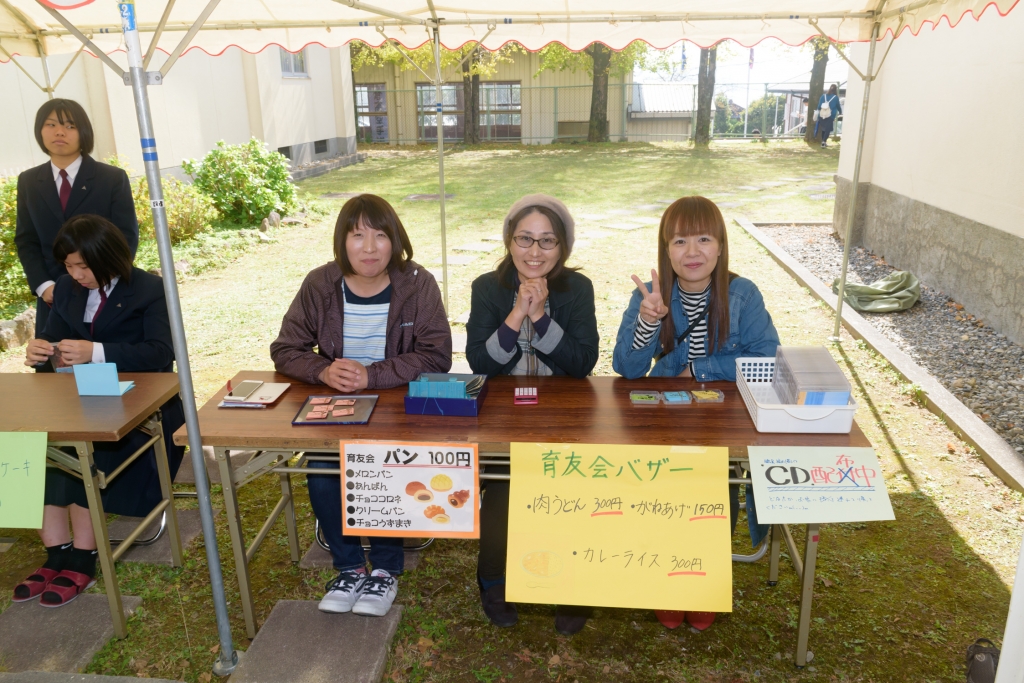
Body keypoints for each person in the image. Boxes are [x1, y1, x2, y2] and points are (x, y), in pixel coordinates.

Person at [270, 194, 451, 618]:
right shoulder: (320, 284)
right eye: (357, 236)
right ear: (342, 241)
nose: (369, 248)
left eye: (380, 235)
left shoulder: (417, 284)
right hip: (338, 406)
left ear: (395, 240)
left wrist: (374, 375)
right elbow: (286, 348)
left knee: (381, 464)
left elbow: (437, 354)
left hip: (395, 406)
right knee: (321, 467)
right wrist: (322, 370)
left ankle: (385, 569)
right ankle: (349, 566)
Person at [612, 196, 780, 631]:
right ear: (665, 250)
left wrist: (699, 369)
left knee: (716, 494)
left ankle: (703, 582)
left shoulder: (742, 294)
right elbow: (627, 369)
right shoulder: (649, 296)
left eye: (704, 239)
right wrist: (648, 322)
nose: (692, 251)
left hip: (724, 418)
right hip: (666, 416)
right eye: (679, 240)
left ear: (720, 246)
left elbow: (767, 358)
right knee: (664, 496)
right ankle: (668, 582)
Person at [14, 214, 184, 608]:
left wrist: (97, 352)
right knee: (24, 446)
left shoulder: (149, 289)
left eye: (83, 266)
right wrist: (42, 350)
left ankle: (84, 555)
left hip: (138, 406)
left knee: (78, 451)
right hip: (75, 398)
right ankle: (56, 552)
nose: (75, 275)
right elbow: (55, 340)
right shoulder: (67, 289)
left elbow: (162, 352)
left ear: (107, 256)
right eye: (68, 266)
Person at [466, 194, 599, 635]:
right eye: (525, 239)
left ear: (563, 247)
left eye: (548, 241)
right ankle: (494, 581)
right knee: (503, 490)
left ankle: (572, 585)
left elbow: (582, 364)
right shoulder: (487, 287)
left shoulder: (577, 289)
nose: (535, 251)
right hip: (504, 416)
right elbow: (481, 364)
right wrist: (516, 314)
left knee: (571, 491)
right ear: (509, 241)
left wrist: (541, 318)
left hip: (562, 416)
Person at [15, 99, 139, 338]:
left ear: (84, 132)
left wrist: (102, 278)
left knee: (107, 355)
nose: (60, 132)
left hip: (105, 292)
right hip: (52, 297)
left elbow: (126, 236)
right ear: (40, 131)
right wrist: (44, 286)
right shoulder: (29, 181)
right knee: (56, 358)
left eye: (70, 126)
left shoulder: (111, 178)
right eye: (51, 124)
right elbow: (26, 240)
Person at [814, 84, 842, 148]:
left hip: (822, 115)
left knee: (823, 129)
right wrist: (840, 112)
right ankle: (824, 142)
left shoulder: (823, 96)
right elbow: (838, 106)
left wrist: (818, 112)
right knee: (828, 129)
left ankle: (823, 141)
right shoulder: (835, 97)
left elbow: (819, 106)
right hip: (830, 115)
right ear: (836, 90)